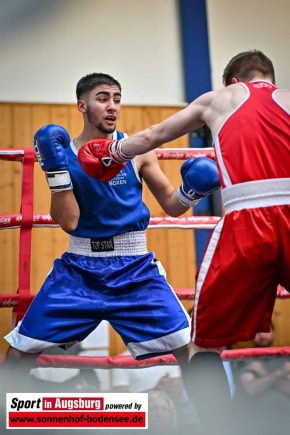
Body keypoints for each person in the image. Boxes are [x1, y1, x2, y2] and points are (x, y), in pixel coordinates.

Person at [77, 50, 290, 432]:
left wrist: (111, 153)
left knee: (203, 348)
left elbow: (151, 136)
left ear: (233, 83)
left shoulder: (218, 98)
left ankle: (219, 429)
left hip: (248, 217)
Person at [3, 73, 220, 392]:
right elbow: (70, 222)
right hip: (79, 269)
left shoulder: (136, 151)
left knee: (191, 350)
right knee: (18, 353)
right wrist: (56, 171)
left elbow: (173, 206)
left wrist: (192, 190)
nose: (112, 106)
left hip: (134, 269)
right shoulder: (64, 154)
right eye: (103, 98)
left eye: (117, 99)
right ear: (82, 105)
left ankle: (215, 424)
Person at [233, 325, 290, 435]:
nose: (262, 335)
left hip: (284, 422)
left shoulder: (286, 358)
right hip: (255, 423)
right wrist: (281, 374)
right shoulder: (244, 358)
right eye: (258, 332)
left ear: (273, 333)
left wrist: (264, 374)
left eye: (266, 331)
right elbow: (251, 388)